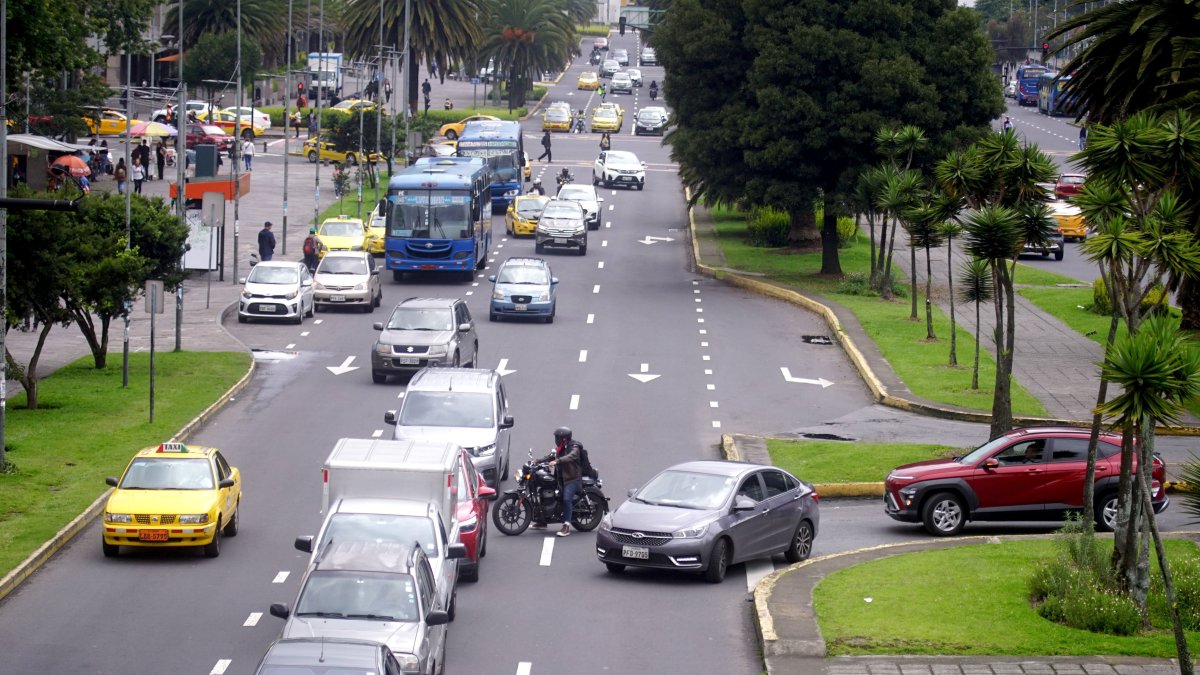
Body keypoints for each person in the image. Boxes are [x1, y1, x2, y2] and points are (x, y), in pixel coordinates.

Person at [534, 427, 584, 537]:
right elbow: (551, 456)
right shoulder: (560, 448)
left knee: (566, 498)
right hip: (561, 479)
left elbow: (571, 456)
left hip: (572, 479)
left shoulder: (574, 447)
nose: (556, 440)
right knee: (544, 490)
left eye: (558, 437)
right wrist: (538, 461)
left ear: (564, 439)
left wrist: (557, 461)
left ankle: (566, 526)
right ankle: (542, 520)